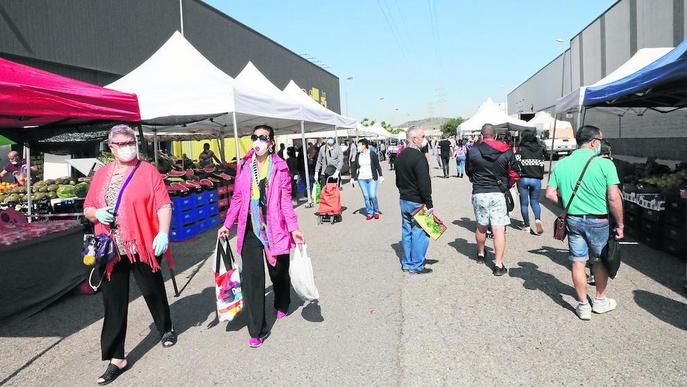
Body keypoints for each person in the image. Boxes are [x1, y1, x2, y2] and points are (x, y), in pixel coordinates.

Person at [83, 124, 175, 385]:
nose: (128, 147)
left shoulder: (148, 172)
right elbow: (88, 207)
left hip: (141, 244)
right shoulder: (101, 175)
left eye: (131, 141)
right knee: (113, 302)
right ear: (111, 148)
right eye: (122, 143)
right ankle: (116, 357)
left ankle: (165, 327)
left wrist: (163, 233)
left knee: (152, 289)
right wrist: (96, 214)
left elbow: (164, 204)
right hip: (110, 248)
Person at [218, 125, 305, 347]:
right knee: (253, 279)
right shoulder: (245, 166)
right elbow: (237, 198)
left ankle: (282, 301)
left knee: (278, 273)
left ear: (271, 142)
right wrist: (228, 224)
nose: (258, 142)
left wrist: (294, 227)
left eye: (263, 138)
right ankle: (257, 329)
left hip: (274, 227)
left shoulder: (280, 168)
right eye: (255, 137)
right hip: (250, 228)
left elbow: (285, 201)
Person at [545, 125, 623, 321]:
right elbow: (614, 198)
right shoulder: (605, 164)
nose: (602, 144)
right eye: (601, 141)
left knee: (577, 262)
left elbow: (549, 194)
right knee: (598, 260)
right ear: (594, 142)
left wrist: (566, 205)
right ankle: (599, 300)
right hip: (599, 220)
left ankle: (582, 306)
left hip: (573, 219)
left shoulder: (562, 164)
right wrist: (620, 224)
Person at [466, 123, 520, 276]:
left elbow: (469, 171)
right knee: (498, 229)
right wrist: (506, 185)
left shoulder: (473, 151)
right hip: (498, 193)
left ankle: (481, 254)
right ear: (495, 135)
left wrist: (476, 181)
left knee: (481, 225)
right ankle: (498, 264)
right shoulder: (507, 151)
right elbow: (515, 173)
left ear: (482, 136)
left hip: (479, 192)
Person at [395, 127, 433, 275]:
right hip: (417, 201)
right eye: (422, 136)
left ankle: (406, 262)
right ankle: (416, 265)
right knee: (420, 232)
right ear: (414, 138)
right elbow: (424, 183)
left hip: (404, 199)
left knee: (407, 231)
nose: (424, 139)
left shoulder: (400, 156)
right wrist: (429, 203)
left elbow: (398, 180)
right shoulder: (419, 157)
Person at [515, 130, 546, 235]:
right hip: (536, 179)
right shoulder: (540, 149)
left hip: (523, 179)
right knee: (535, 202)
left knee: (524, 204)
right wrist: (540, 175)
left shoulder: (520, 149)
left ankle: (527, 226)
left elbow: (516, 164)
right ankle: (537, 219)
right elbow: (542, 165)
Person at [351, 139, 384, 220]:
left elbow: (377, 165)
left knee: (372, 195)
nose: (358, 147)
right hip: (361, 178)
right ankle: (370, 212)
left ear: (364, 145)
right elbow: (354, 166)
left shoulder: (372, 154)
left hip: (372, 178)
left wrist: (381, 176)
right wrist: (352, 178)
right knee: (366, 196)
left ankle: (376, 211)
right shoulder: (358, 155)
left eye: (359, 145)